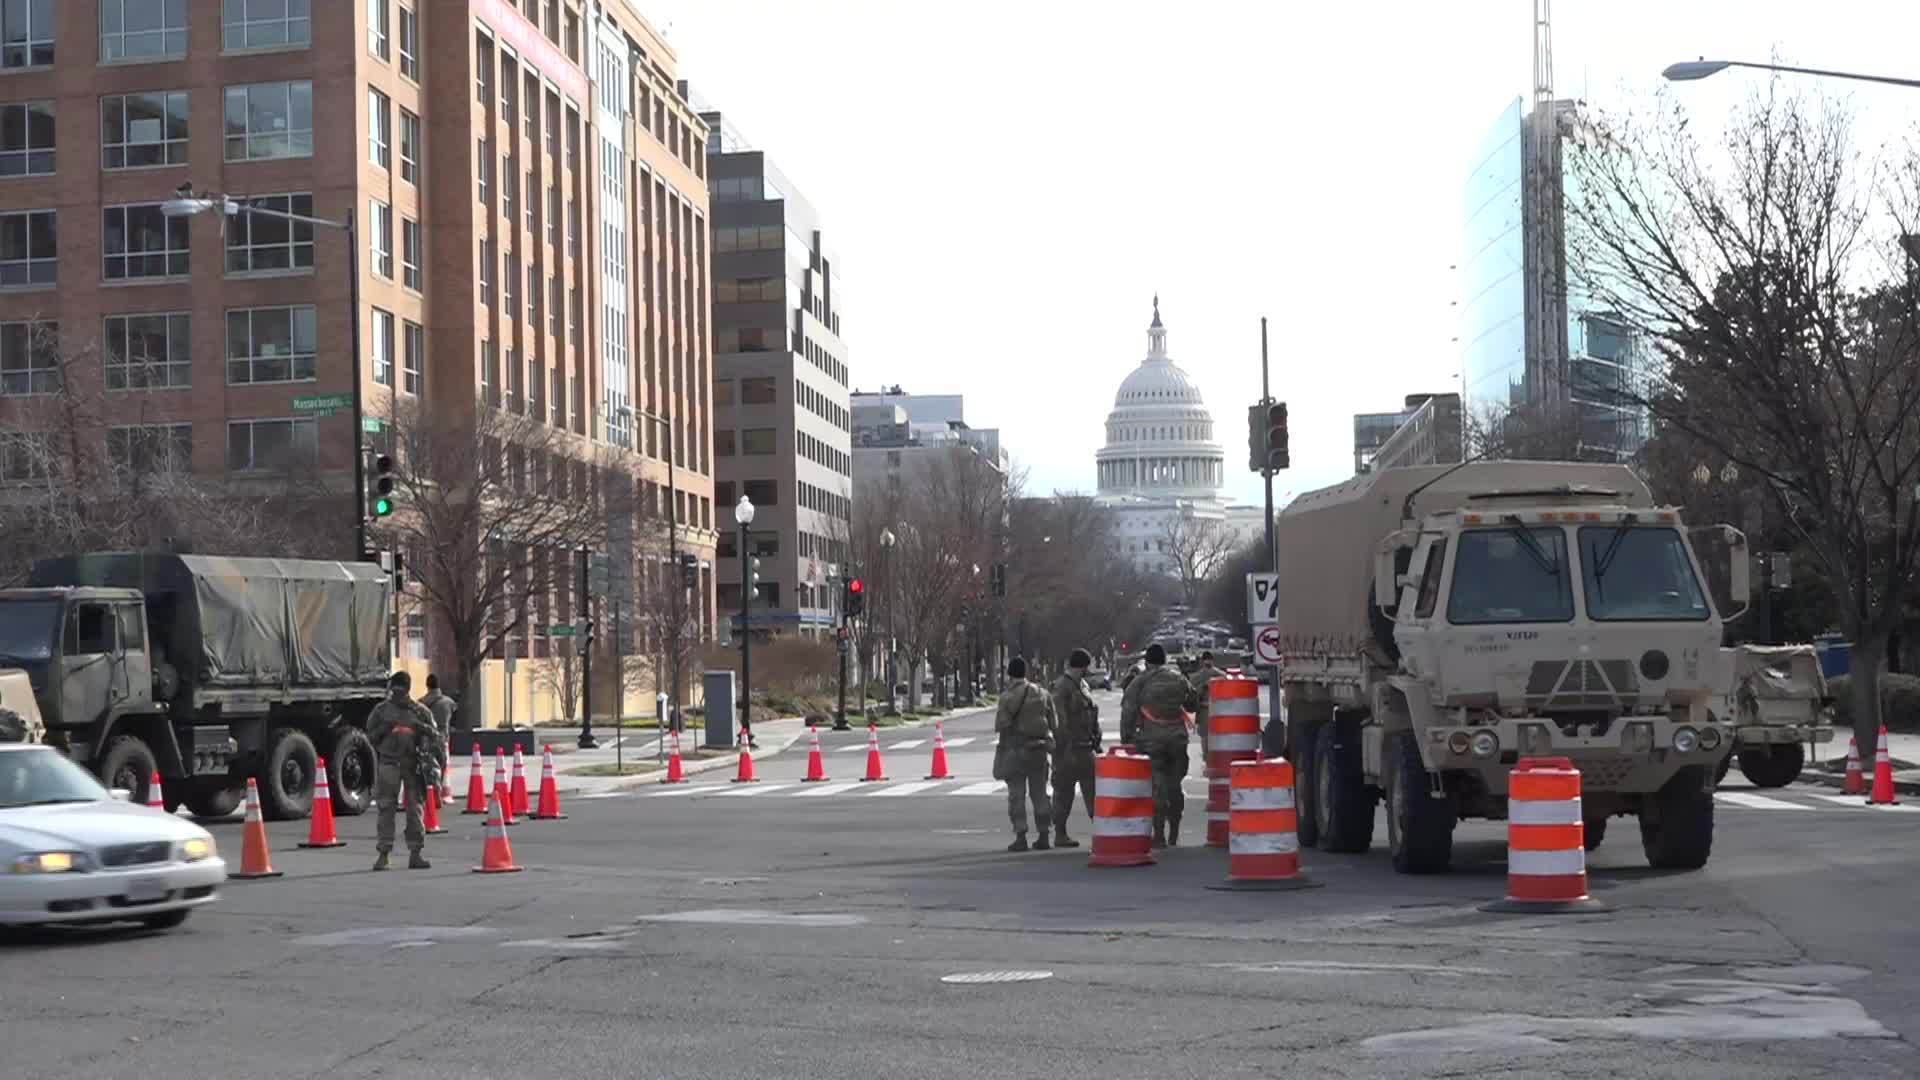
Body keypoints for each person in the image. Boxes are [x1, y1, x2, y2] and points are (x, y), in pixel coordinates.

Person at [1119, 643, 1199, 848]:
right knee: (1175, 785)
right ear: (1164, 660)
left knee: (1157, 786)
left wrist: (1126, 740)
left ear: (1147, 661)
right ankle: (1174, 831)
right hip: (1178, 739)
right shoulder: (1178, 678)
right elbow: (1192, 704)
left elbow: (1128, 712)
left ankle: (1159, 835)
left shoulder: (1139, 682)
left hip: (1152, 740)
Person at [367, 671, 441, 870]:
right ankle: (384, 854)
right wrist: (385, 729)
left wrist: (420, 728)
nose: (396, 694)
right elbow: (371, 736)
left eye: (399, 689)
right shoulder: (381, 711)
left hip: (412, 764)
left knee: (415, 809)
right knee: (386, 808)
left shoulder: (419, 711)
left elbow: (435, 735)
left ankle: (415, 852)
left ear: (406, 689)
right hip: (389, 763)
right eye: (394, 690)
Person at [994, 656, 1056, 852]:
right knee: (1040, 794)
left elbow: (1001, 726)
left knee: (1016, 796)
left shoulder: (1007, 697)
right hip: (1038, 750)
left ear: (1009, 674)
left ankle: (1021, 835)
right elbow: (1055, 724)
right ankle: (1044, 834)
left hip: (1016, 751)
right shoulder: (1043, 693)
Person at [1049, 648, 1102, 848]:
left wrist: (1097, 740)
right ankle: (1060, 834)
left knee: (1094, 793)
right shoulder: (1062, 687)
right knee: (1063, 792)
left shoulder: (1083, 686)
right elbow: (1059, 721)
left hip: (1086, 748)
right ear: (1082, 666)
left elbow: (1091, 714)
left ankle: (1101, 834)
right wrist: (1063, 748)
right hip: (1068, 750)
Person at [421, 674, 457, 777]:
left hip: (426, 740)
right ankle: (439, 789)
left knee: (426, 770)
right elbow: (454, 721)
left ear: (427, 685)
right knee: (442, 769)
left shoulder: (421, 703)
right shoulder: (449, 702)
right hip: (442, 740)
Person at [1190, 650, 1225, 750]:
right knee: (1215, 736)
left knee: (1206, 737)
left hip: (1206, 709)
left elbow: (1192, 695)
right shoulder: (1222, 675)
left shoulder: (1196, 677)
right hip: (1216, 709)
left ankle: (1208, 758)